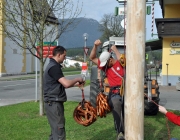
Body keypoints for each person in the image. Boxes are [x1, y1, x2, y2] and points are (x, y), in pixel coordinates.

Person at [43, 46, 84, 140]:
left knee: (55, 132)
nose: (65, 58)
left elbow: (58, 85)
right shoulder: (54, 68)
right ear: (58, 55)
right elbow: (66, 84)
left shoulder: (52, 66)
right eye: (64, 56)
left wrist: (76, 84)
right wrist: (77, 79)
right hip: (54, 103)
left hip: (51, 103)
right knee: (59, 132)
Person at [89, 39, 125, 140]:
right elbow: (92, 58)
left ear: (110, 59)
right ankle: (120, 132)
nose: (103, 66)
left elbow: (122, 60)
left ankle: (127, 129)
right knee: (116, 104)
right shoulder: (106, 67)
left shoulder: (120, 63)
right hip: (115, 92)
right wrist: (95, 46)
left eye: (106, 63)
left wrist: (115, 50)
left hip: (126, 91)